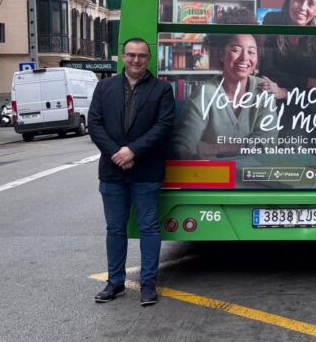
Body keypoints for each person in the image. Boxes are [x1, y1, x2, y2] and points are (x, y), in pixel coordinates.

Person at [88, 37, 175, 307]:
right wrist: (117, 153)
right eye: (131, 55)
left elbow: (163, 127)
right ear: (122, 57)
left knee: (149, 228)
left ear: (149, 59)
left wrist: (132, 151)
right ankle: (115, 283)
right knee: (115, 228)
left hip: (146, 171)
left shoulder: (162, 90)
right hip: (113, 172)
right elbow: (94, 124)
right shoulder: (104, 87)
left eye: (141, 56)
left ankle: (148, 284)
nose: (136, 60)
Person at [172, 30, 279, 159]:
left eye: (251, 52)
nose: (245, 58)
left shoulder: (264, 90)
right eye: (236, 50)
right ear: (221, 54)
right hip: (213, 174)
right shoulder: (205, 93)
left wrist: (216, 148)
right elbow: (183, 145)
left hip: (251, 175)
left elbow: (267, 144)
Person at [258, 0, 316, 99]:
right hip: (271, 96)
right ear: (290, 1)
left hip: (304, 100)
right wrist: (307, 82)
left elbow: (315, 86)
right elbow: (267, 71)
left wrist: (284, 92)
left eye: (310, 4)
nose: (303, 7)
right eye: (298, 0)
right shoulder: (271, 20)